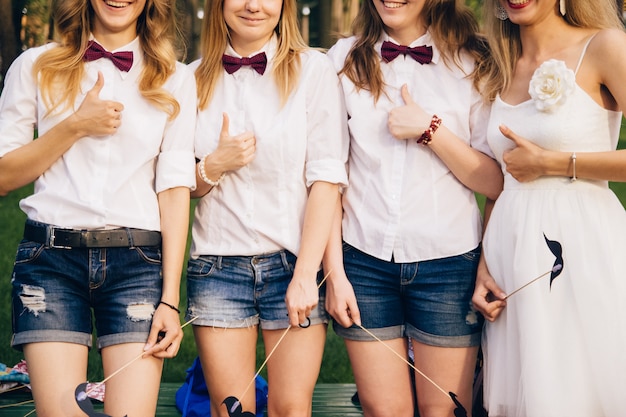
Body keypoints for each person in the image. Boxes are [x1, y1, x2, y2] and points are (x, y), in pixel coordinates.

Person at [0, 0, 197, 415]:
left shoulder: (176, 78)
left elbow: (175, 188)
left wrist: (170, 298)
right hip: (50, 261)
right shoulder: (34, 66)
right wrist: (74, 125)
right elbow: (4, 176)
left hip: (137, 264)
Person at [322, 1, 503, 416]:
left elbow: (494, 181)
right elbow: (328, 176)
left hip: (448, 264)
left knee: (444, 411)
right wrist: (335, 274)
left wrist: (430, 130)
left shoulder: (472, 62)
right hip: (363, 263)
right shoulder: (342, 60)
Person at [185, 0, 348, 415]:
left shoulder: (314, 71)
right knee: (230, 409)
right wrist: (214, 165)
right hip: (218, 267)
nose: (254, 6)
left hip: (292, 264)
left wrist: (307, 274)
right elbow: (183, 187)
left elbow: (326, 178)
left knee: (290, 408)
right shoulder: (190, 79)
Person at [471, 1, 626, 416]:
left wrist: (553, 163)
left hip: (580, 252)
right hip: (512, 262)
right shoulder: (498, 67)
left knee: (574, 389)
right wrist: (486, 262)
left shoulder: (605, 47)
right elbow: (501, 185)